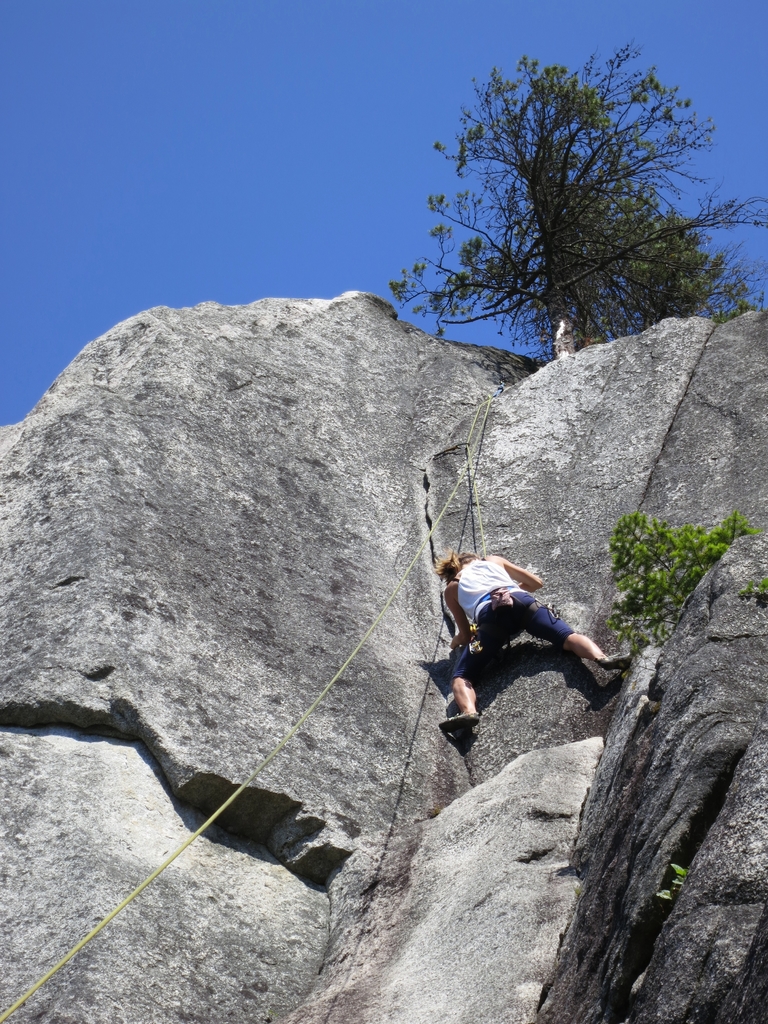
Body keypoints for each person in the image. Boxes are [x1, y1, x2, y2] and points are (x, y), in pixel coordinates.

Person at [434, 550, 629, 734]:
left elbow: (466, 634)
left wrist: (454, 644)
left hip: (490, 619)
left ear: (455, 569)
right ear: (476, 558)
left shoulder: (452, 587)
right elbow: (536, 583)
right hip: (522, 601)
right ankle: (602, 658)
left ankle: (469, 712)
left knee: (462, 676)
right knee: (567, 637)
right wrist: (510, 592)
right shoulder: (493, 560)